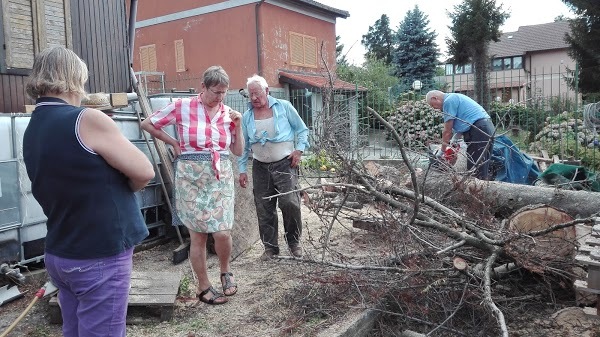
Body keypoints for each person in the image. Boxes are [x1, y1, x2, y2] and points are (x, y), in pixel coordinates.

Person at [23, 46, 155, 337]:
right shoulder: (87, 120)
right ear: (75, 77)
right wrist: (122, 187)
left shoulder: (33, 126)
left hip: (61, 252)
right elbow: (144, 171)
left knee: (75, 330)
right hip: (98, 254)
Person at [141, 66, 243, 305]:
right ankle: (203, 286)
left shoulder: (229, 113)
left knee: (223, 231)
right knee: (198, 236)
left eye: (224, 93)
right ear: (203, 87)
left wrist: (238, 126)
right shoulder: (182, 106)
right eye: (216, 92)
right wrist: (174, 142)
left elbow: (237, 151)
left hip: (220, 177)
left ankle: (226, 271)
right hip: (191, 178)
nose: (220, 98)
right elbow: (148, 124)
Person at [238, 74, 309, 261]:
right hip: (260, 167)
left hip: (285, 163)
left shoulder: (284, 107)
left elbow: (302, 130)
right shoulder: (247, 116)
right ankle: (270, 248)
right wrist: (242, 169)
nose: (254, 98)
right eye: (250, 94)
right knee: (264, 206)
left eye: (257, 93)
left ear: (267, 91)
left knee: (289, 203)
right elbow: (244, 145)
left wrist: (299, 150)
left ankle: (294, 243)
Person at [426, 90, 495, 180]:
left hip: (479, 130)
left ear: (435, 98)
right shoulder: (455, 97)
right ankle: (483, 190)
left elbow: (447, 131)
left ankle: (476, 191)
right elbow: (465, 122)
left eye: (432, 105)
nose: (435, 108)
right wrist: (454, 140)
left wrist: (441, 152)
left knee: (475, 167)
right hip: (486, 127)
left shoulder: (448, 101)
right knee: (482, 166)